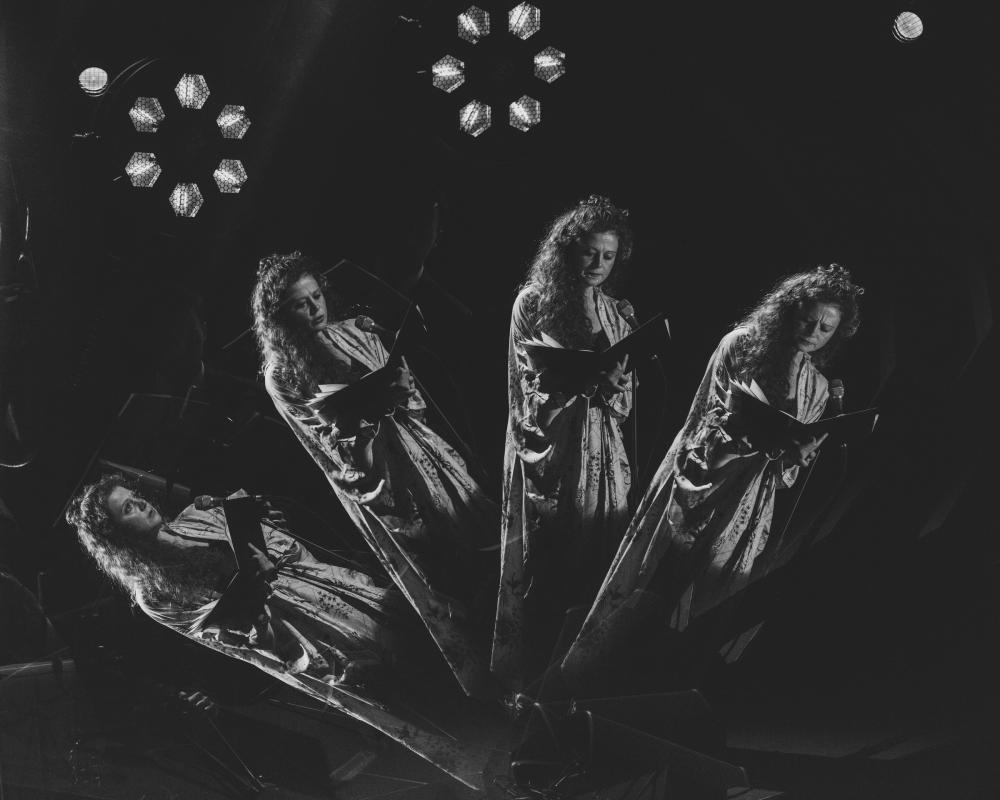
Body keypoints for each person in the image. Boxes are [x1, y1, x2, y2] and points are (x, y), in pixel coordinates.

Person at [65, 474, 491, 789]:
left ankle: (496, 697)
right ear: (118, 539)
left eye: (135, 496)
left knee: (426, 637)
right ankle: (486, 748)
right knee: (399, 682)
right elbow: (227, 632)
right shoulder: (154, 594)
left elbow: (287, 550)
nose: (141, 504)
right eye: (128, 509)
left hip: (328, 586)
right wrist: (254, 582)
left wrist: (270, 529)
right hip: (301, 633)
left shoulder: (197, 514)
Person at [562, 264, 864, 682]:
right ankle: (594, 682)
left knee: (703, 608)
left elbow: (785, 473)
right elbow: (703, 418)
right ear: (789, 311)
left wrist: (795, 456)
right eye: (807, 320)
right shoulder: (740, 346)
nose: (814, 332)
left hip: (747, 503)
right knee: (650, 587)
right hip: (698, 481)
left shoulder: (818, 387)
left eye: (826, 328)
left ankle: (657, 688)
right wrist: (744, 436)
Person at [252, 252, 498, 698]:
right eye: (300, 304)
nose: (315, 308)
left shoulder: (356, 331)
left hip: (423, 452)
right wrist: (366, 414)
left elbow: (416, 404)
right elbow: (325, 445)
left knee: (477, 539)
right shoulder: (282, 374)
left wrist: (402, 393)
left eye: (317, 296)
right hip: (378, 477)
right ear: (280, 317)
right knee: (439, 570)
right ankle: (486, 676)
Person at [492, 195, 637, 691]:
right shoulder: (534, 302)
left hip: (602, 449)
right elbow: (522, 385)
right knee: (548, 561)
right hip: (552, 446)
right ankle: (532, 681)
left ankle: (579, 682)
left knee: (596, 560)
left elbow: (626, 403)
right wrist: (571, 385)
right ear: (567, 249)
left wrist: (614, 385)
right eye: (589, 252)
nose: (598, 264)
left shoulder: (615, 313)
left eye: (608, 255)